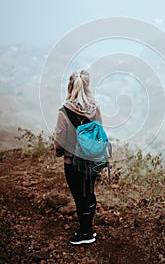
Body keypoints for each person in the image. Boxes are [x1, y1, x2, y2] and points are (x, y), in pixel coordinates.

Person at [54, 70, 102, 245]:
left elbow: (59, 139)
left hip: (72, 162)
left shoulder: (64, 111)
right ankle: (88, 227)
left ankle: (85, 233)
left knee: (79, 196)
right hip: (92, 160)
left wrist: (59, 152)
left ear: (70, 87)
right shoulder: (95, 108)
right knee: (89, 193)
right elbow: (100, 133)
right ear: (87, 87)